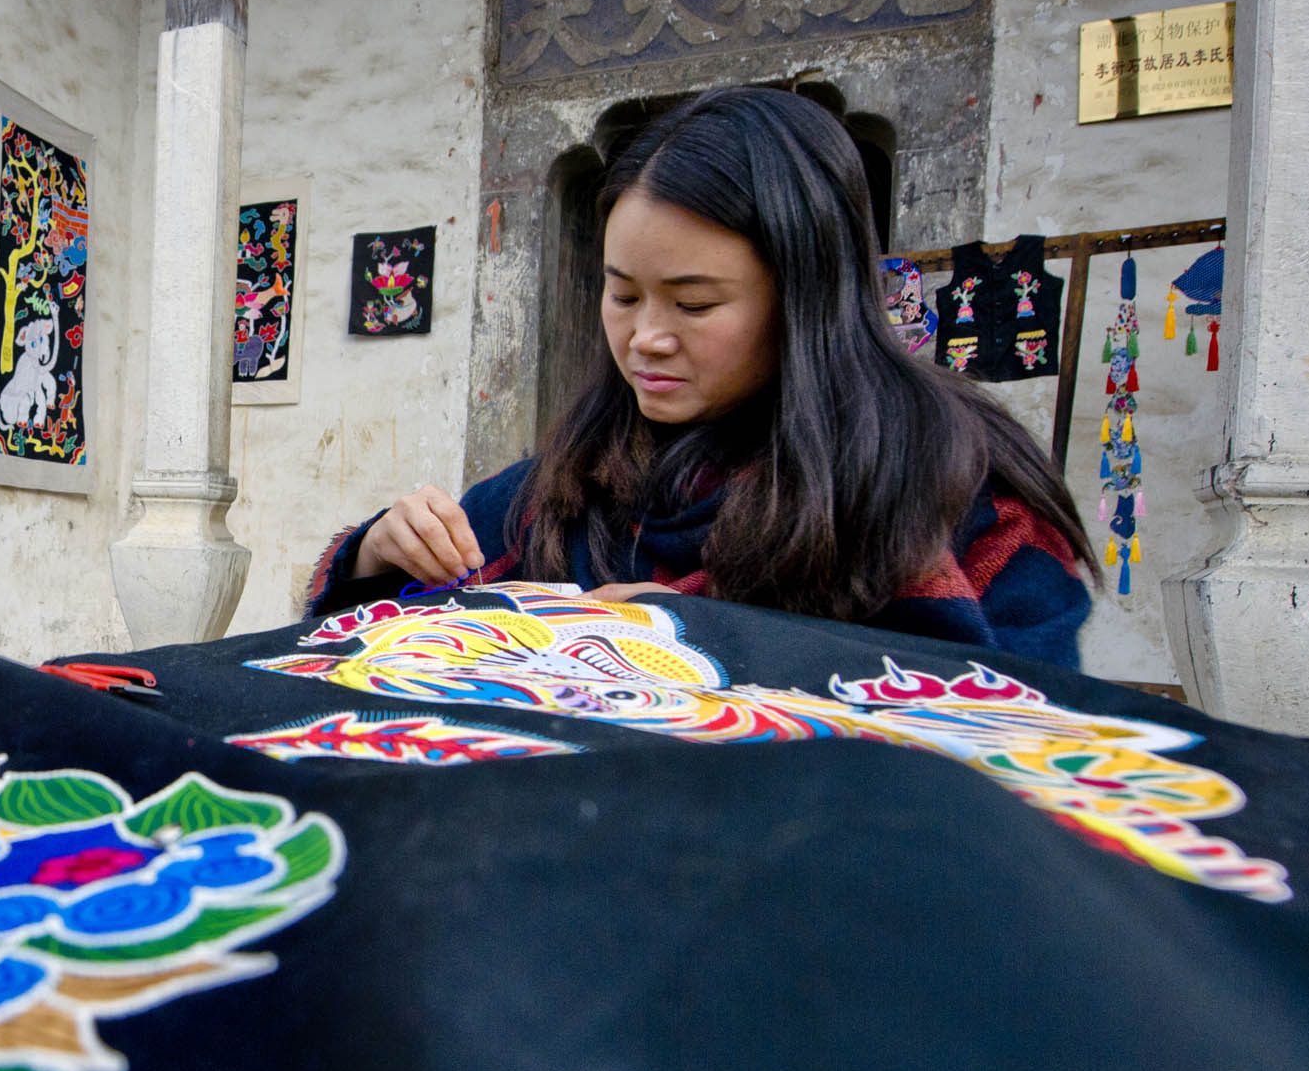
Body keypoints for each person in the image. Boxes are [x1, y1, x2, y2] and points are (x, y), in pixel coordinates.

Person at [310, 86, 1094, 662]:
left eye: (694, 303)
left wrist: (710, 640)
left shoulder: (947, 484)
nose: (645, 338)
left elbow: (1028, 719)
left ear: (807, 295)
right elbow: (378, 623)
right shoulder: (581, 476)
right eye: (623, 295)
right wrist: (381, 554)